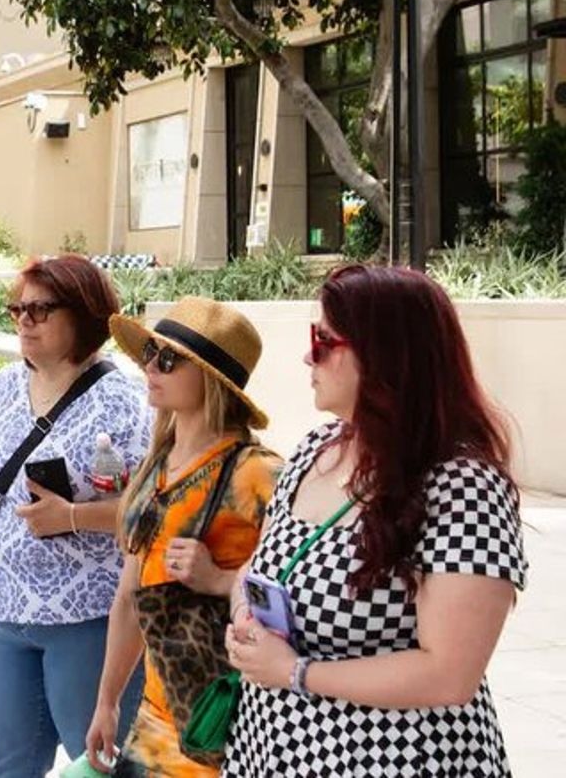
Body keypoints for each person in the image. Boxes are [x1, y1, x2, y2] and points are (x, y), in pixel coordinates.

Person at [223, 265, 528, 776]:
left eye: (323, 341)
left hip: (394, 758)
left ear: (386, 355)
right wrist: (245, 619)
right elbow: (258, 568)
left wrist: (296, 672)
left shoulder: (464, 486)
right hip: (277, 746)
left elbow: (449, 673)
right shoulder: (315, 450)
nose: (307, 356)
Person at [86, 297, 282, 778]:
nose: (151, 365)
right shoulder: (156, 464)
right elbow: (131, 596)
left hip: (220, 723)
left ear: (212, 378)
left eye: (169, 358)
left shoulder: (259, 473)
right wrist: (107, 700)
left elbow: (295, 592)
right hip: (155, 715)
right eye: (151, 351)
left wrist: (219, 578)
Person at [0, 255, 152, 778]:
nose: (25, 321)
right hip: (7, 610)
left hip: (88, 617)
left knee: (96, 766)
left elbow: (149, 515)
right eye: (17, 309)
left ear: (85, 313)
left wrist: (72, 515)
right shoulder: (2, 389)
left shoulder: (121, 401)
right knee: (10, 764)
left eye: (41, 309)